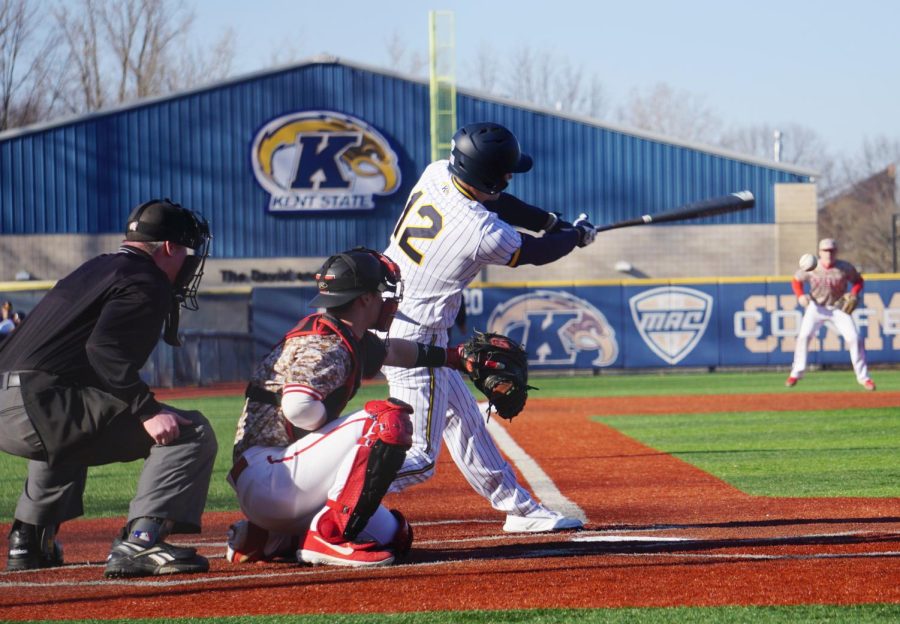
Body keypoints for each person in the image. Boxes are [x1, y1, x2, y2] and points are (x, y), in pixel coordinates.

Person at [381, 122, 595, 533]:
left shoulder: (437, 172)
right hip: (414, 339)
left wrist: (551, 222)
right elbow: (532, 252)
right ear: (487, 176)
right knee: (421, 458)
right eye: (504, 171)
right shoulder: (481, 233)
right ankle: (320, 495)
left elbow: (499, 203)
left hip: (394, 316)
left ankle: (520, 509)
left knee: (465, 421)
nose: (510, 176)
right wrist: (572, 237)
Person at [0, 199, 217, 578]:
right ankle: (143, 542)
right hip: (36, 402)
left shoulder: (94, 269)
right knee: (190, 432)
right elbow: (103, 350)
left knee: (72, 428)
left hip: (14, 401)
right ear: (168, 247)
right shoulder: (146, 279)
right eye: (185, 250)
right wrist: (147, 410)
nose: (188, 261)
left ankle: (29, 541)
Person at [226, 248, 472, 567]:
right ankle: (328, 536)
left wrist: (452, 358)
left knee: (396, 535)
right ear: (365, 299)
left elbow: (393, 352)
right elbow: (298, 407)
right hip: (272, 476)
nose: (388, 301)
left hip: (275, 477)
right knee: (385, 418)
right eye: (381, 292)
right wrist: (326, 434)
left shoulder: (341, 332)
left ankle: (270, 537)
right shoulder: (325, 342)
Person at [786, 237, 875, 390]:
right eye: (825, 250)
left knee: (855, 338)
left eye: (831, 250)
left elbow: (858, 281)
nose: (829, 253)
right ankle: (796, 373)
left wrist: (853, 293)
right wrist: (800, 295)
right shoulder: (812, 266)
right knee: (803, 337)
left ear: (836, 252)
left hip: (838, 308)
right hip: (816, 307)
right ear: (819, 252)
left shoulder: (844, 267)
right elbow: (796, 280)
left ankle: (864, 377)